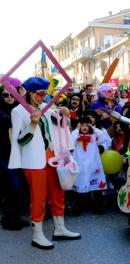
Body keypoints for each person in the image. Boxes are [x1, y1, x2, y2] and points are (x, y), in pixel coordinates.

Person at [8, 77, 80, 250]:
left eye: (45, 94)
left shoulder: (46, 108)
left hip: (52, 157)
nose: (43, 98)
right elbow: (20, 140)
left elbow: (60, 126)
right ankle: (37, 234)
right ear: (31, 93)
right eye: (40, 94)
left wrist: (64, 114)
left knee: (57, 192)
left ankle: (60, 228)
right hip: (33, 161)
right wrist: (32, 124)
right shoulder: (18, 111)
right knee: (38, 197)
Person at [0, 79, 29, 230]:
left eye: (12, 95)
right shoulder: (2, 111)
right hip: (3, 155)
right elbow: (8, 122)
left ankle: (14, 217)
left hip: (16, 154)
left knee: (19, 185)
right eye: (6, 95)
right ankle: (8, 220)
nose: (9, 97)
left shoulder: (17, 109)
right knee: (13, 185)